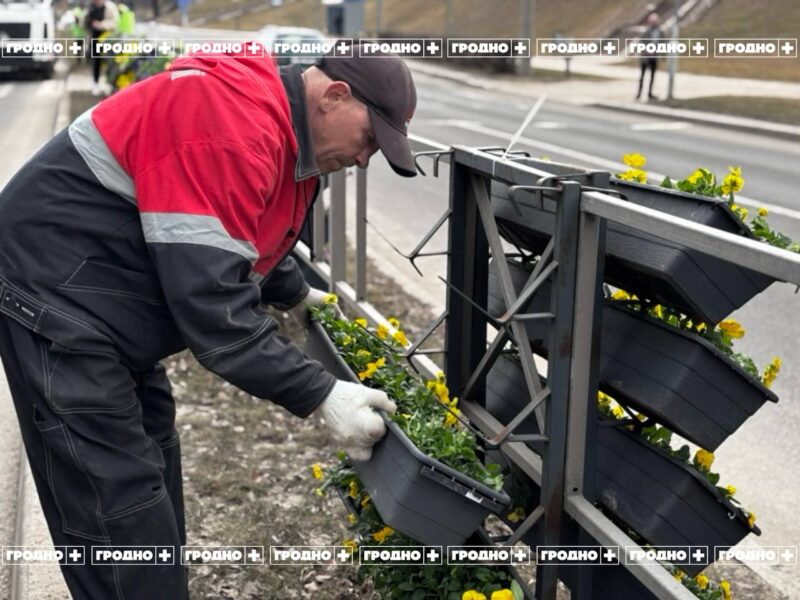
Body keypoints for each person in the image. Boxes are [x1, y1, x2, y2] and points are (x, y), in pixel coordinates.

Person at [0, 43, 417, 599]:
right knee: (118, 510)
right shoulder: (231, 126)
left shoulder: (283, 127)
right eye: (370, 139)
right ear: (335, 96)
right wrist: (322, 395)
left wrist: (296, 291)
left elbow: (232, 231)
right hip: (57, 299)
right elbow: (212, 309)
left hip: (107, 296)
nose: (366, 159)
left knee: (152, 479)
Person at [85, 0, 119, 95]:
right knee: (96, 62)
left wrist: (101, 25)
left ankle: (109, 83)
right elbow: (85, 23)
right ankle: (96, 84)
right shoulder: (90, 8)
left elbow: (115, 22)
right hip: (95, 39)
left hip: (107, 39)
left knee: (109, 62)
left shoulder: (110, 7)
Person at [636, 12, 661, 101]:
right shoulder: (646, 32)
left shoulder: (659, 32)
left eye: (655, 21)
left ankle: (650, 93)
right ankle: (639, 94)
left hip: (654, 57)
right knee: (642, 76)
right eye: (652, 22)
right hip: (645, 57)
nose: (654, 23)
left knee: (652, 77)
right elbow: (641, 44)